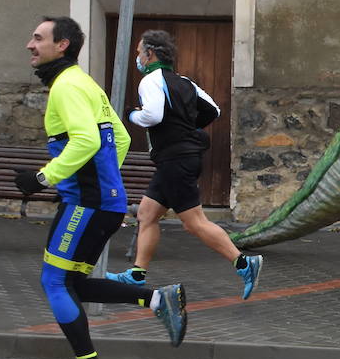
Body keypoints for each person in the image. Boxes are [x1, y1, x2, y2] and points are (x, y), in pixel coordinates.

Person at [17, 17, 188, 359]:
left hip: (86, 205)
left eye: (37, 37)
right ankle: (159, 298)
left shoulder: (66, 86)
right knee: (73, 282)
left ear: (61, 45)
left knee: (54, 281)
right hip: (103, 204)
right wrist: (107, 183)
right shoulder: (84, 83)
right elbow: (122, 137)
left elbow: (85, 142)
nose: (30, 44)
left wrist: (42, 178)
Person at [107, 30, 263, 299]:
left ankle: (244, 263)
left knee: (194, 223)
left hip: (175, 161)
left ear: (150, 54)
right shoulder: (185, 82)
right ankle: (136, 274)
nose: (137, 57)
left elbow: (153, 115)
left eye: (138, 52)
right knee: (147, 214)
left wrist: (132, 115)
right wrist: (186, 127)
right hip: (178, 159)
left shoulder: (150, 82)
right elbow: (213, 109)